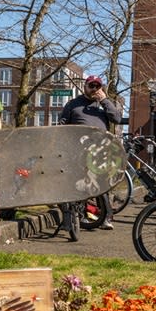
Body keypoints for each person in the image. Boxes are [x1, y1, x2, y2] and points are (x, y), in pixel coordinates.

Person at [60, 75, 123, 230]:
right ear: (85, 86)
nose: (94, 89)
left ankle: (107, 217)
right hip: (79, 152)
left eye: (97, 86)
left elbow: (117, 118)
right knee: (77, 184)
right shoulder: (73, 104)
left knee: (103, 186)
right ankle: (78, 217)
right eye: (91, 85)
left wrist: (104, 100)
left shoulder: (104, 105)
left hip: (101, 152)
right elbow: (62, 125)